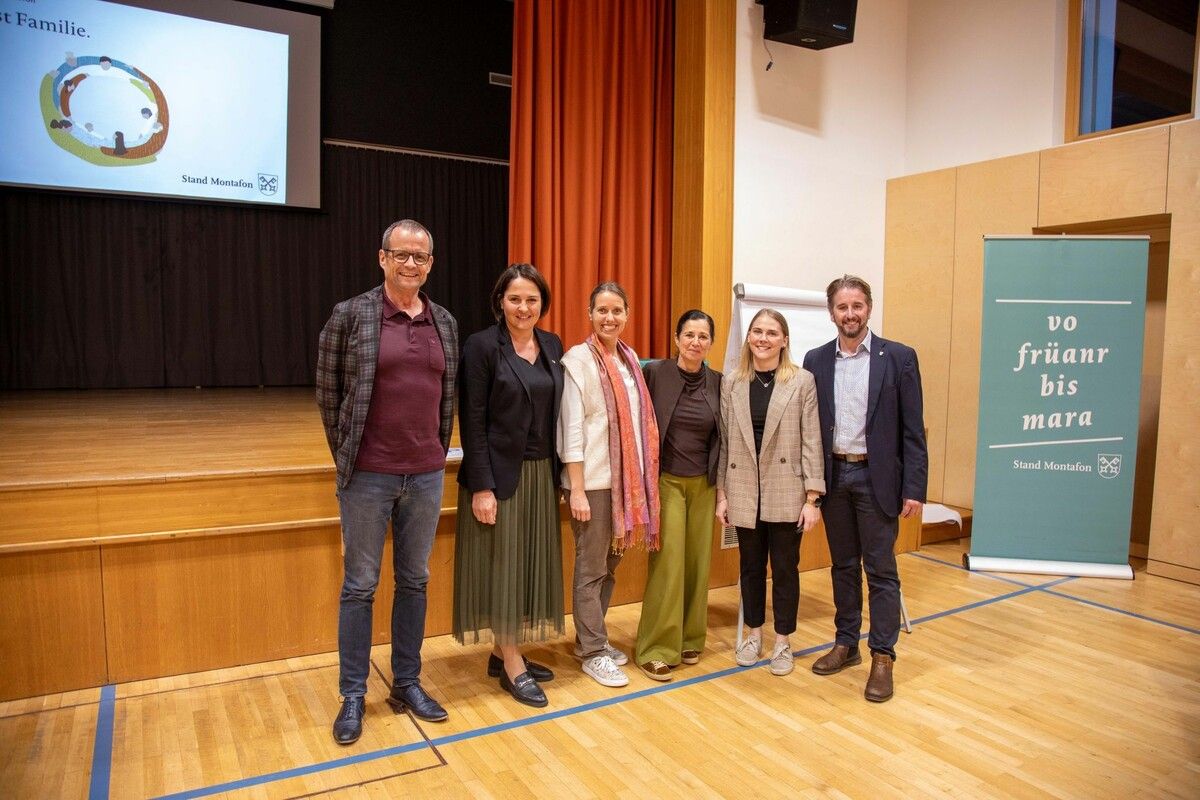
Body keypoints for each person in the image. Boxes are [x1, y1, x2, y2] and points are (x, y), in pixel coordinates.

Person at [316, 219, 458, 744]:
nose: (411, 264)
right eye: (401, 255)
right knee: (359, 587)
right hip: (368, 476)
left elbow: (447, 399)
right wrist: (348, 454)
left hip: (424, 474)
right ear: (382, 258)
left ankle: (407, 683)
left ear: (430, 264)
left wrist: (435, 454)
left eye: (420, 257)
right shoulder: (351, 315)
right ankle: (353, 695)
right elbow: (328, 391)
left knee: (415, 581)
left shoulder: (444, 321)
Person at [802, 274, 928, 703]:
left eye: (857, 306)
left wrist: (914, 487)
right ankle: (846, 643)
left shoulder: (899, 358)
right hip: (834, 477)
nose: (850, 314)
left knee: (881, 571)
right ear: (832, 312)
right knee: (841, 566)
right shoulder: (815, 360)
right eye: (842, 307)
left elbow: (913, 431)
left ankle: (882, 656)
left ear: (868, 308)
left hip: (878, 480)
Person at [454, 263, 565, 709]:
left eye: (532, 299)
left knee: (524, 564)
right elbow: (473, 420)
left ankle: (503, 652)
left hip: (540, 472)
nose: (524, 307)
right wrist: (482, 487)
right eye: (515, 298)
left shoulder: (553, 344)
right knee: (504, 567)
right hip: (500, 478)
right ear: (500, 301)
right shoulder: (482, 346)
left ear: (543, 304)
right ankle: (513, 664)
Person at [558, 282, 660, 688]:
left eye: (617, 310)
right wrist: (577, 489)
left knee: (609, 566)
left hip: (625, 486)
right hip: (595, 484)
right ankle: (593, 650)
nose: (609, 317)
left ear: (627, 314)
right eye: (602, 309)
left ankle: (592, 638)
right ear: (589, 313)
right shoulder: (577, 361)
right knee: (590, 568)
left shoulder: (630, 360)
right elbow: (572, 431)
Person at [716, 308, 824, 677]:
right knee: (749, 569)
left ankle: (783, 641)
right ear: (749, 338)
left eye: (771, 332)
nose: (763, 338)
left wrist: (812, 498)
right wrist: (723, 495)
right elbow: (727, 443)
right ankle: (753, 635)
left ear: (785, 340)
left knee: (785, 569)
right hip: (743, 489)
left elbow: (812, 440)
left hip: (787, 491)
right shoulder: (732, 382)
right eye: (757, 331)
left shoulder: (802, 381)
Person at [634, 310, 722, 681]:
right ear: (676, 338)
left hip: (704, 485)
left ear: (710, 343)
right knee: (668, 566)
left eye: (703, 336)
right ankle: (655, 648)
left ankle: (690, 637)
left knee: (697, 564)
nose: (695, 342)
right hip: (667, 482)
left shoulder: (719, 382)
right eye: (689, 334)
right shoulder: (655, 373)